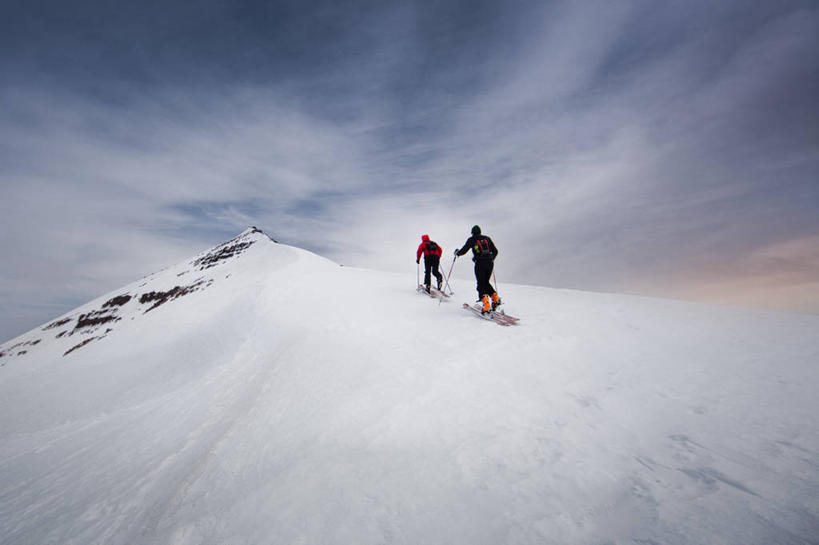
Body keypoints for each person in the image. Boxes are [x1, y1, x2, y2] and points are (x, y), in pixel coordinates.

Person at [454, 225, 500, 313]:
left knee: (481, 283)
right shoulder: (487, 238)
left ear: (472, 233)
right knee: (485, 282)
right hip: (490, 263)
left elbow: (464, 250)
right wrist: (491, 258)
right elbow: (495, 251)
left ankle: (486, 305)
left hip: (480, 263)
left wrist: (457, 253)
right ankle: (495, 299)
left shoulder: (472, 239)